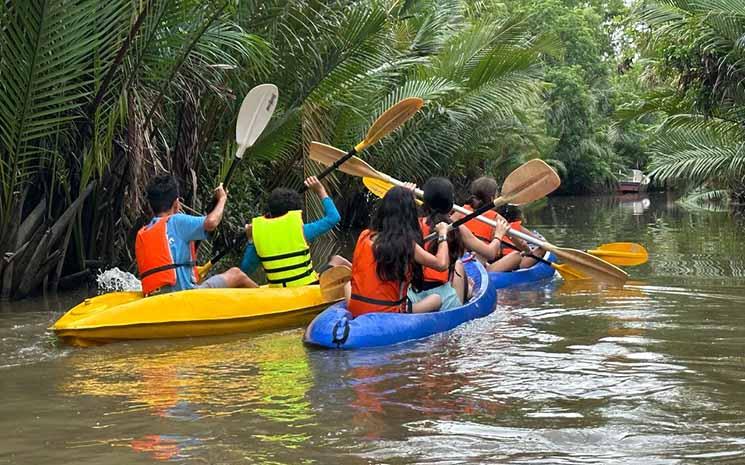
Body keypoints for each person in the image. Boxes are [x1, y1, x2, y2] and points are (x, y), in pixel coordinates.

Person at [135, 174, 256, 296]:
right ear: (176, 204)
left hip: (155, 299)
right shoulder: (176, 221)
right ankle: (270, 301)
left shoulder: (143, 233)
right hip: (183, 298)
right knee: (236, 274)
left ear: (151, 207)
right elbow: (211, 222)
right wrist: (222, 198)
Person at [346, 185, 451, 317]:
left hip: (356, 309)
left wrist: (405, 195)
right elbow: (442, 264)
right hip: (389, 314)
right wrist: (443, 234)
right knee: (436, 299)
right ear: (410, 215)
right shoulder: (406, 244)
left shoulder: (365, 235)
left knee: (347, 286)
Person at [411, 177, 510, 309]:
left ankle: (466, 290)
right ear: (450, 203)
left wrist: (409, 199)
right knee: (458, 264)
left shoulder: (413, 224)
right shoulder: (456, 228)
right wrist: (498, 235)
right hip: (443, 296)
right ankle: (461, 299)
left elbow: (401, 216)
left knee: (462, 275)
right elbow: (491, 253)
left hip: (414, 293)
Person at [240, 176, 349, 287]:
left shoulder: (259, 234)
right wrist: (321, 191)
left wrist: (250, 240)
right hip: (308, 288)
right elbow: (334, 217)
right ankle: (362, 283)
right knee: (337, 260)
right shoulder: (303, 230)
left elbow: (245, 269)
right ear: (295, 212)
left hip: (278, 292)